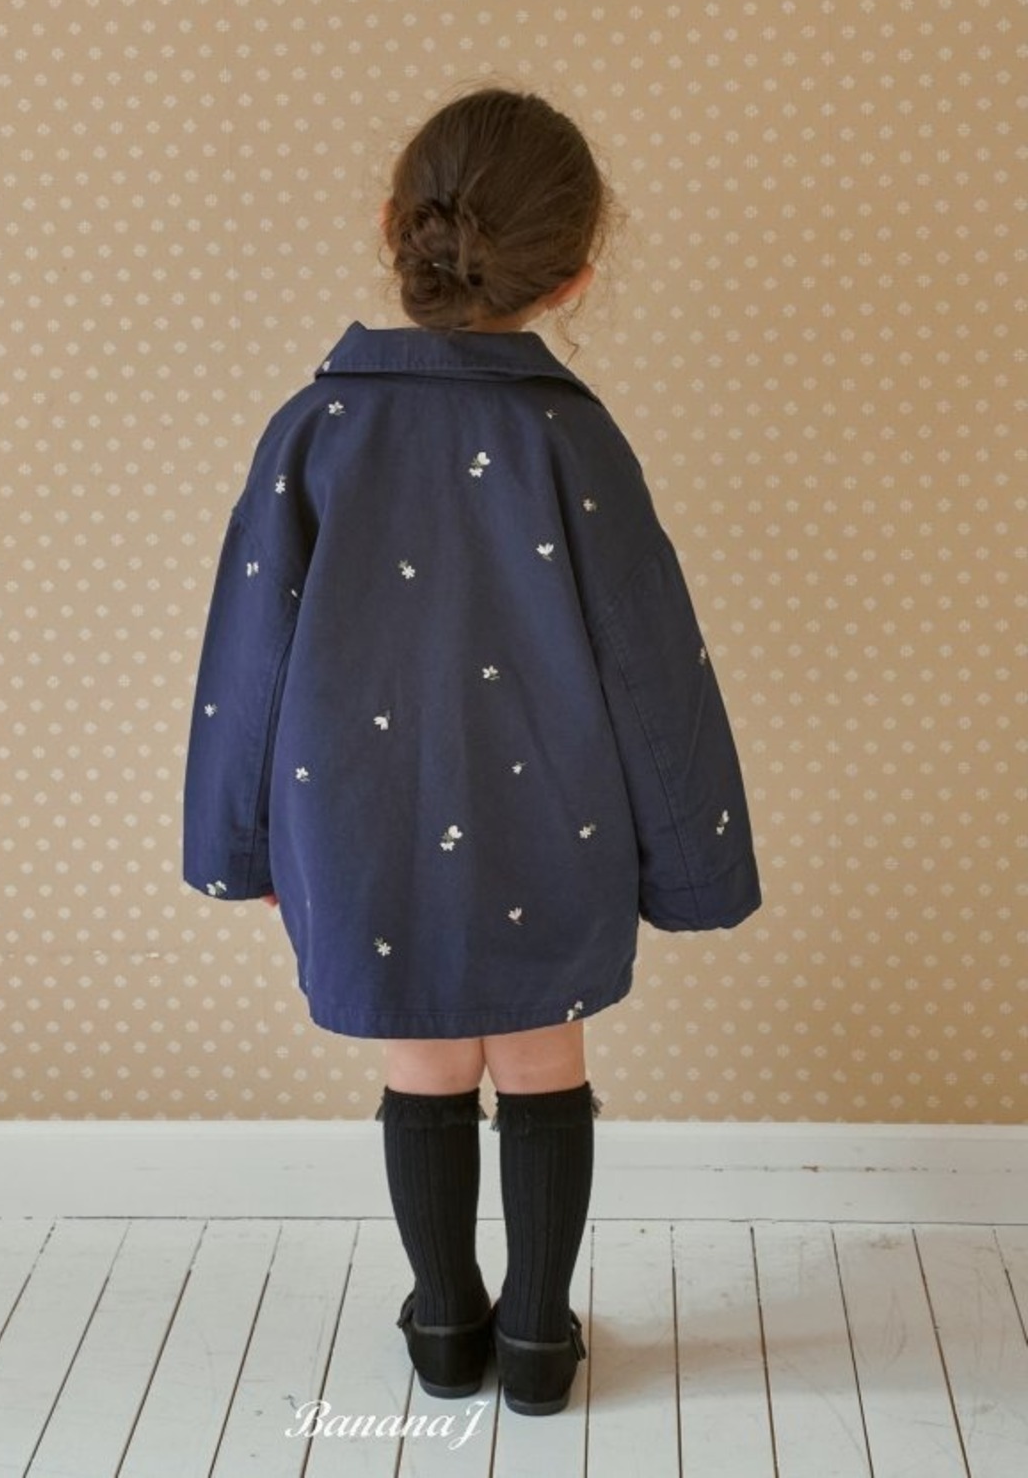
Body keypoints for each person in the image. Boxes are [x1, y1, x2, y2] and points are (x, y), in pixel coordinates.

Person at [183, 87, 762, 1415]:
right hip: (557, 809)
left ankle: (446, 1326)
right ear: (575, 274)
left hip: (360, 814)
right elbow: (651, 665)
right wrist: (687, 861)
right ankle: (540, 1343)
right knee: (543, 1062)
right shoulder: (575, 434)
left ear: (396, 224)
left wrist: (243, 841)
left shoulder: (314, 427)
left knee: (423, 1063)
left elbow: (246, 655)